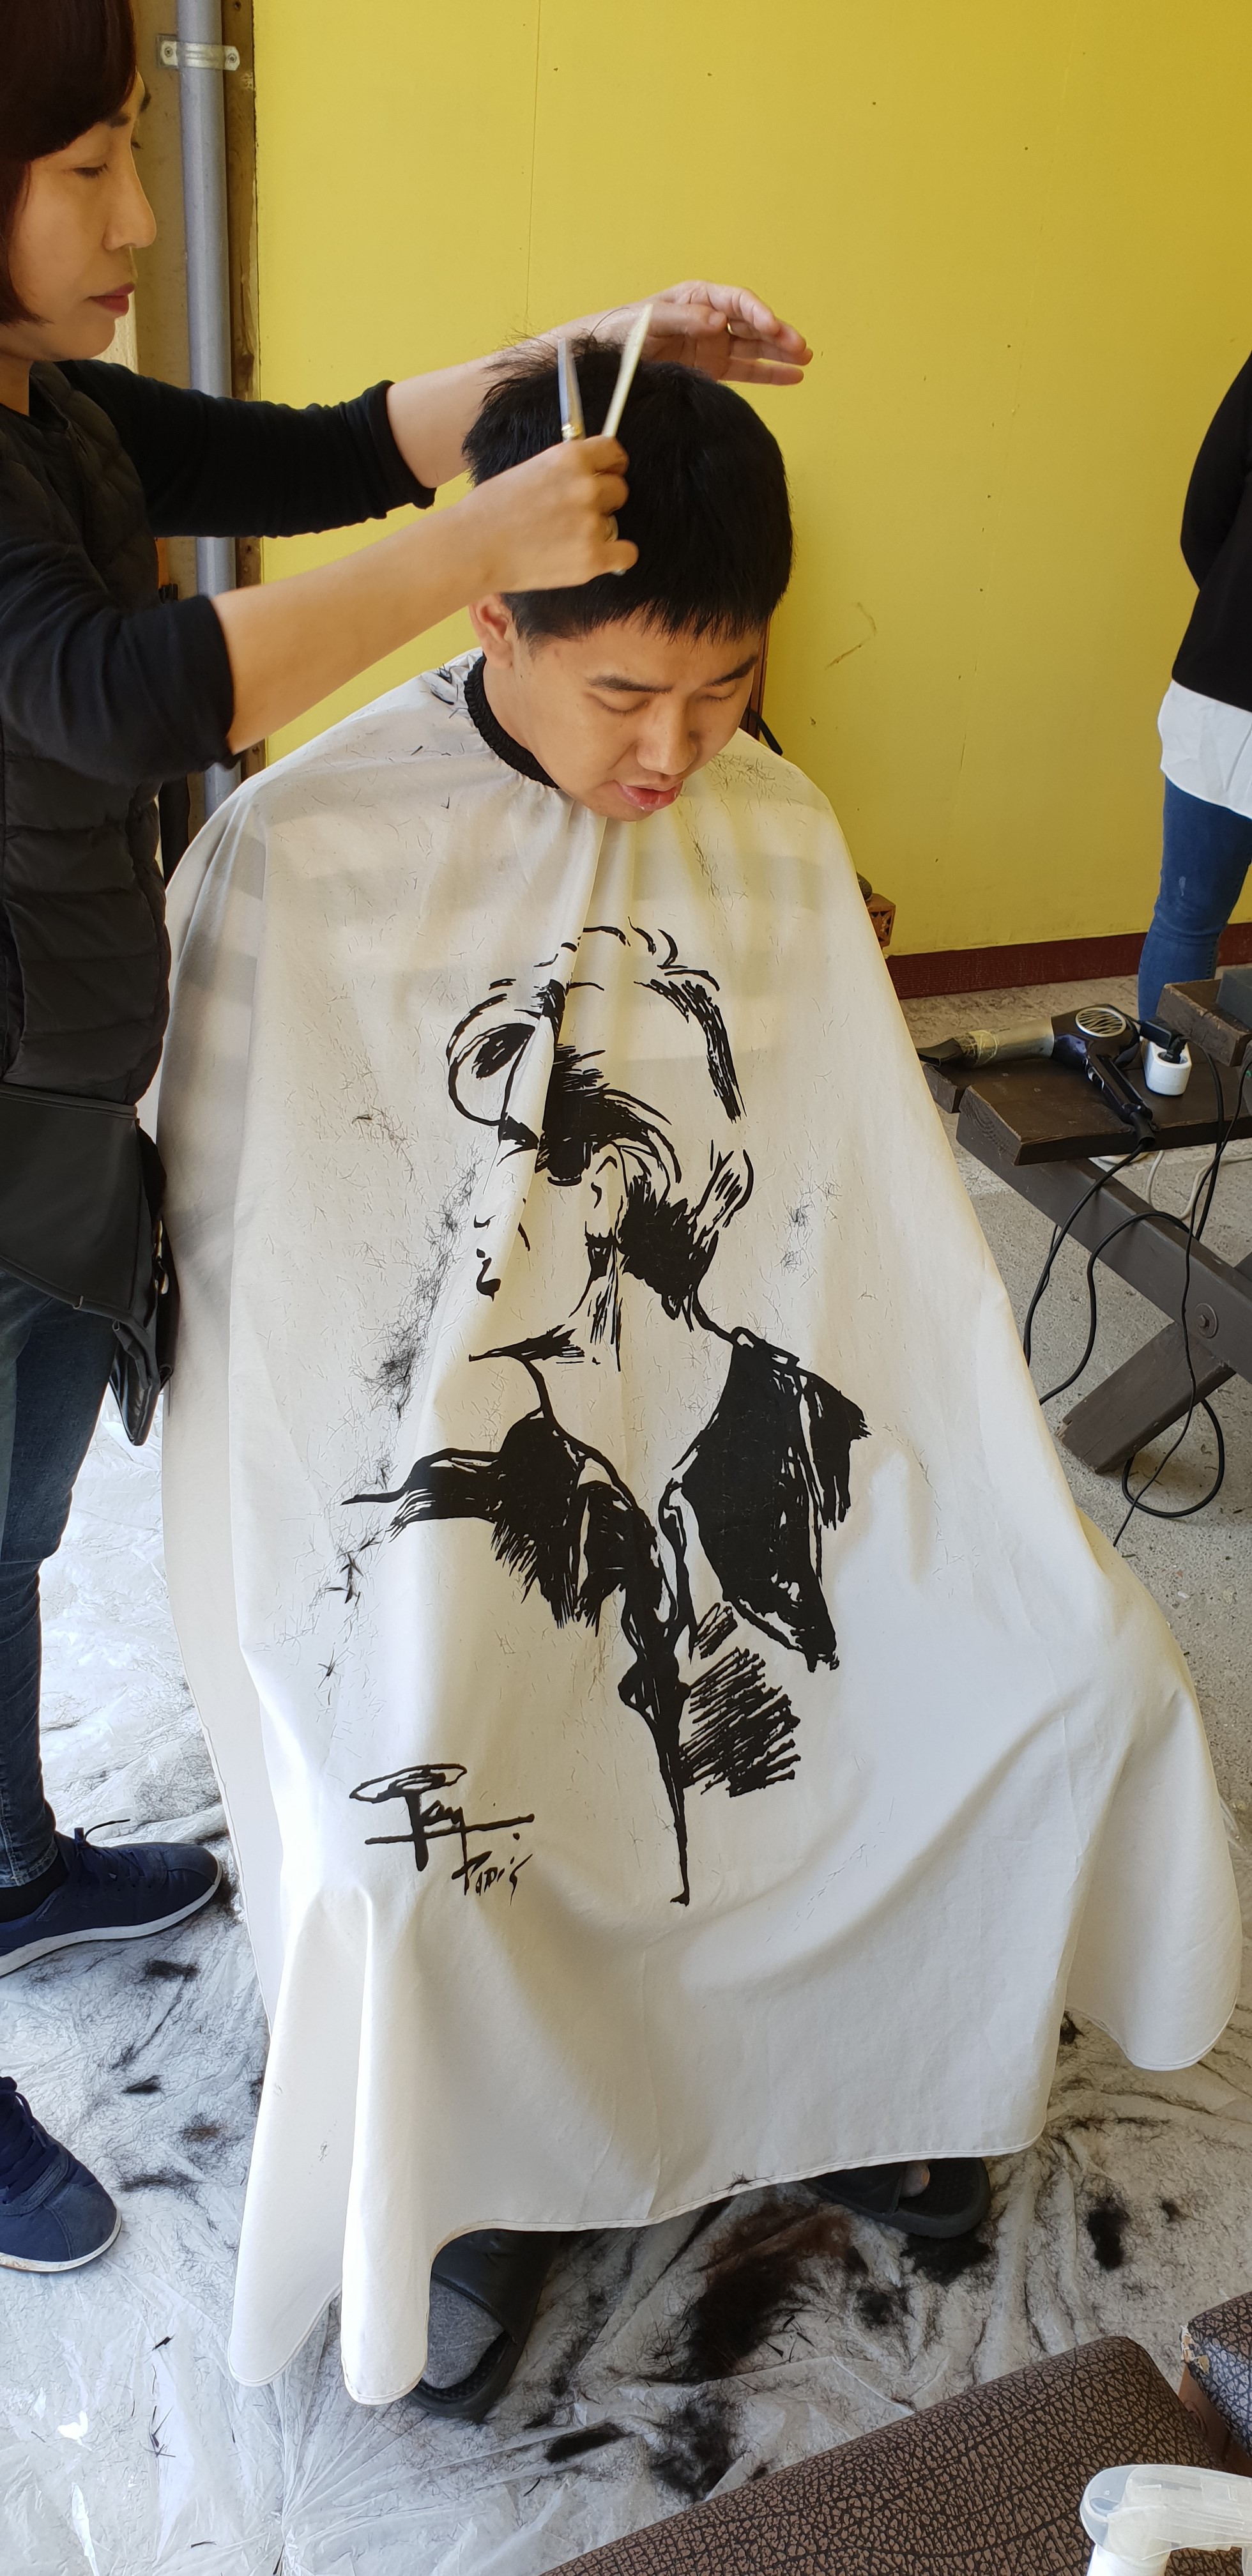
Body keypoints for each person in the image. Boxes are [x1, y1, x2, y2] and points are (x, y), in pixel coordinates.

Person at [158, 344, 1237, 2418]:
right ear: (492, 612)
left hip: (730, 1414)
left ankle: (884, 2068)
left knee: (1064, 1671)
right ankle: (466, 2184)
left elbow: (857, 1220)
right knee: (443, 1801)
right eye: (626, 694)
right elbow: (261, 1290)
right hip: (451, 1455)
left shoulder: (772, 824)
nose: (676, 751)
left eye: (727, 689)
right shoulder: (305, 847)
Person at [0, 0, 811, 2275]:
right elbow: (130, 694)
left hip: (51, 1093)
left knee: (8, 1518)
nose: (136, 214)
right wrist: (478, 534)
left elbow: (329, 442)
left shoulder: (55, 408)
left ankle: (13, 1867)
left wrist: (591, 364)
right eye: (86, 165)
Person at [1139, 349, 1252, 1016]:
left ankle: (1162, 1081)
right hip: (1223, 688)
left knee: (1186, 915)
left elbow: (1204, 520)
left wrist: (1234, 612)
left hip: (1223, 684)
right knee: (1185, 918)